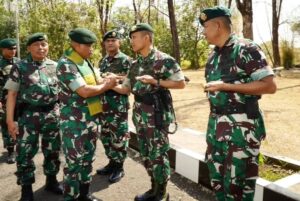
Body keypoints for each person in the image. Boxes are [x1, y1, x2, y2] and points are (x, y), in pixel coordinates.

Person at [199, 6, 277, 201]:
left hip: (241, 133)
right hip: (216, 128)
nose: (203, 31)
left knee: (238, 187)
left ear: (218, 25)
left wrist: (225, 86)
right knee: (218, 182)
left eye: (205, 26)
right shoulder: (213, 56)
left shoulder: (246, 48)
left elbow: (269, 85)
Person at [112, 23, 185, 201]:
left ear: (146, 38)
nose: (131, 41)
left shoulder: (164, 60)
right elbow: (126, 88)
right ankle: (154, 188)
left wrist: (155, 82)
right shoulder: (135, 64)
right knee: (145, 152)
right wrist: (110, 84)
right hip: (139, 113)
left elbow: (180, 83)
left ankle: (161, 193)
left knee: (158, 154)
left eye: (134, 37)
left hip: (157, 114)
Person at [57, 28, 116, 201]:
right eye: (88, 45)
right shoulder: (67, 64)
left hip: (90, 119)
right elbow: (84, 91)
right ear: (76, 45)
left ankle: (84, 194)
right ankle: (70, 197)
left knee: (87, 160)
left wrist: (107, 80)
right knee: (74, 164)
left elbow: (96, 81)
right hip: (74, 123)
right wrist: (107, 86)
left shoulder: (85, 62)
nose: (91, 49)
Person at [5, 33, 63, 201]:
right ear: (29, 48)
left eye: (44, 44)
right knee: (25, 153)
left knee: (53, 151)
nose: (41, 48)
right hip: (29, 116)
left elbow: (64, 93)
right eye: (36, 45)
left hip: (52, 114)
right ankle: (26, 188)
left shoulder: (55, 65)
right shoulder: (20, 66)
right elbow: (12, 94)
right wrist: (10, 120)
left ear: (48, 46)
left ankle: (51, 181)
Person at [96, 30, 131, 183]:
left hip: (118, 105)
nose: (110, 43)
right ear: (104, 44)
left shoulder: (126, 60)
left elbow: (131, 80)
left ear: (119, 43)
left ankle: (119, 167)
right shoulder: (102, 61)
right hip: (103, 105)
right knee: (105, 135)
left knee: (119, 136)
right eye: (107, 41)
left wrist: (114, 79)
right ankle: (111, 162)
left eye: (113, 40)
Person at [0, 38, 19, 164]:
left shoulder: (20, 62)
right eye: (10, 48)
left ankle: (21, 146)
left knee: (21, 123)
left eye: (14, 48)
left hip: (19, 99)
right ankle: (11, 150)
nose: (13, 51)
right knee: (7, 124)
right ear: (2, 49)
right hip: (4, 100)